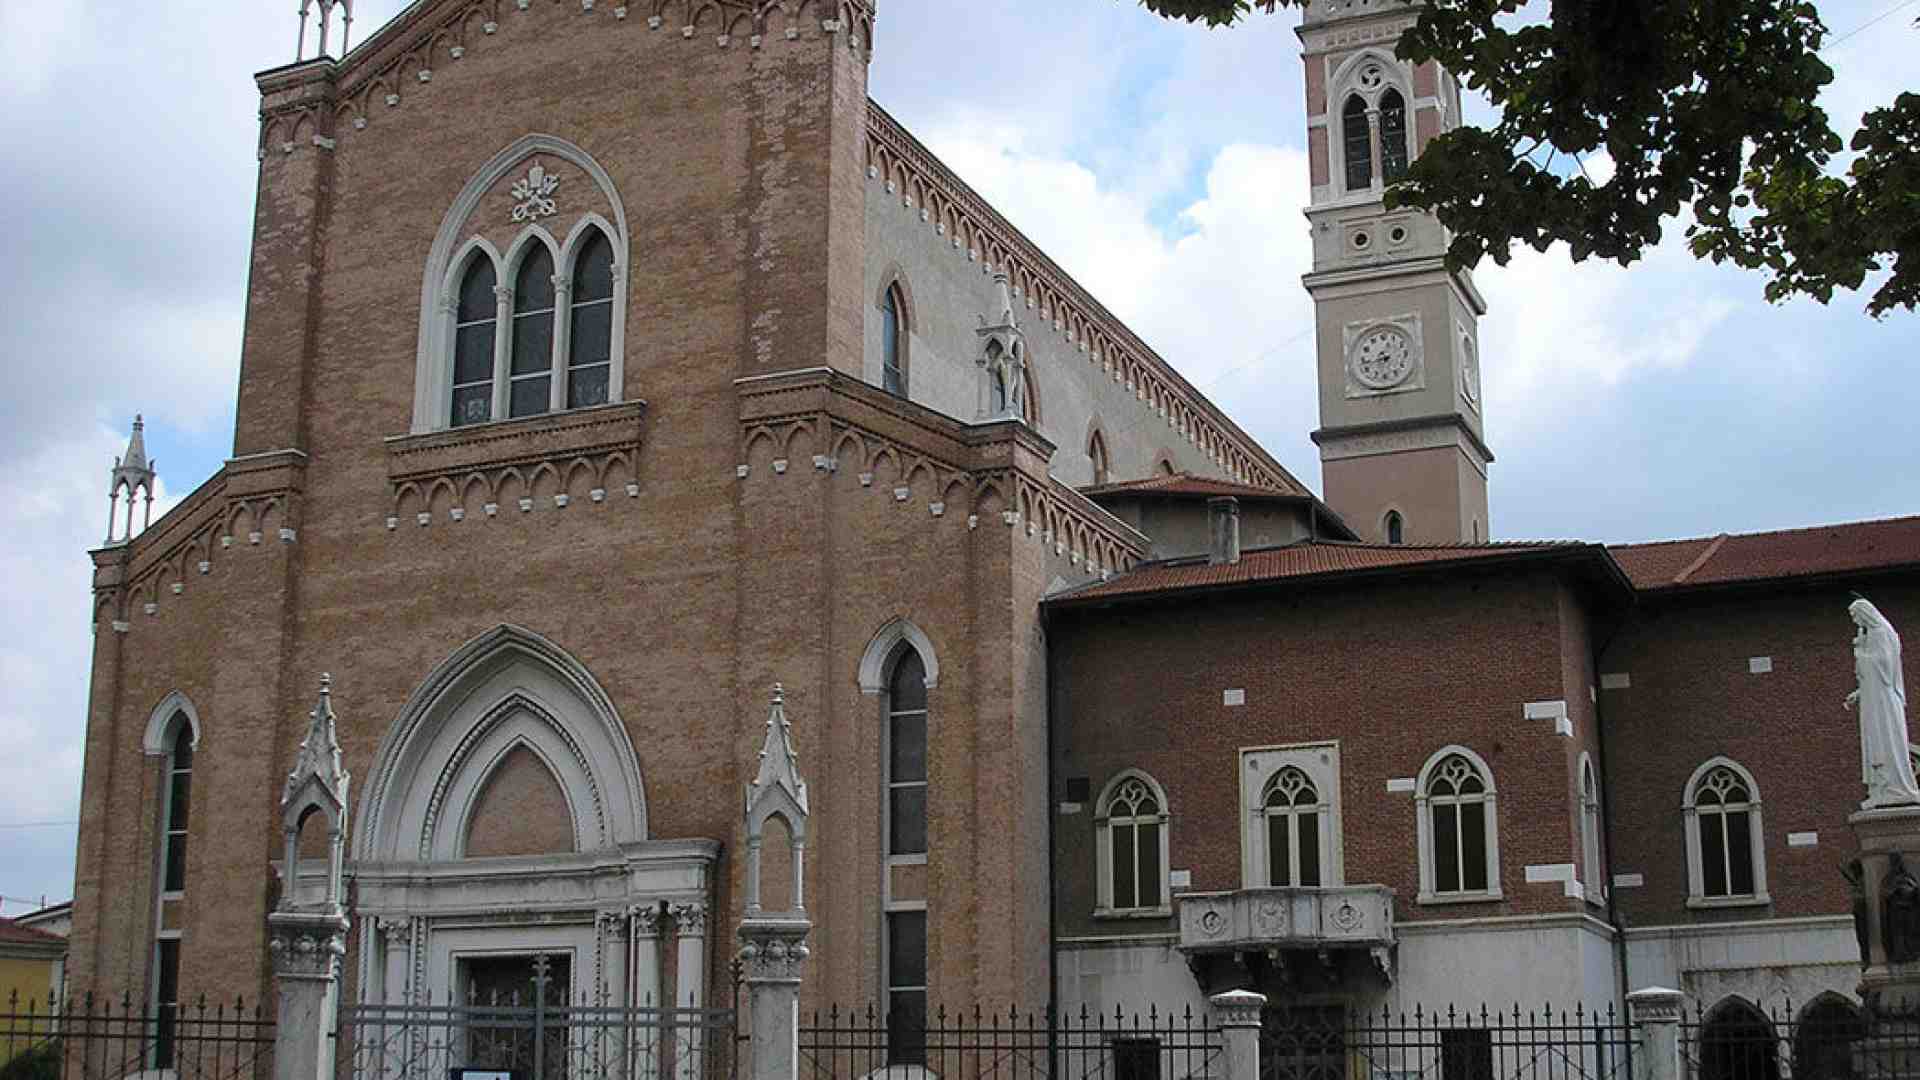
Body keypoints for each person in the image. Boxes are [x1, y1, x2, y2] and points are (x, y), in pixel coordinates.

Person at [1846, 598, 1920, 809]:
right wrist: (1859, 693)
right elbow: (1876, 678)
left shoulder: (1880, 633)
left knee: (1885, 741)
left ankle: (1895, 789)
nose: (1855, 621)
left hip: (1883, 704)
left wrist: (1859, 652)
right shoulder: (1877, 633)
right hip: (1876, 699)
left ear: (1865, 613)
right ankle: (1881, 789)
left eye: (1855, 616)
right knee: (1878, 741)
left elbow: (1883, 668)